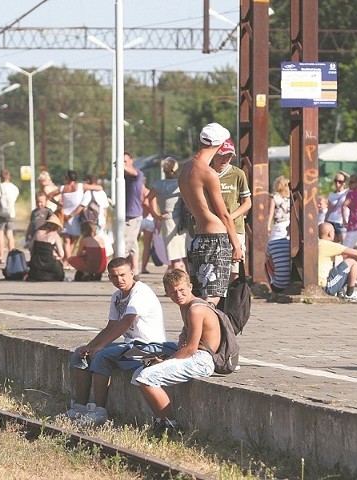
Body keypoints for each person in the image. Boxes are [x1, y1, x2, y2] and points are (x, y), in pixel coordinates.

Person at [67, 256, 166, 425]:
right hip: (131, 344)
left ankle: (100, 411)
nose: (119, 280)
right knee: (79, 354)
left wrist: (100, 348)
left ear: (132, 273)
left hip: (149, 345)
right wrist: (90, 346)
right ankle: (80, 407)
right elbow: (111, 326)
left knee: (102, 355)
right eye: (114, 276)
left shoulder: (140, 292)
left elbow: (126, 322)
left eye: (122, 275)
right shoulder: (117, 296)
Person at [131, 268, 217, 434]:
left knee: (146, 377)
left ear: (190, 287)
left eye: (181, 290)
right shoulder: (185, 306)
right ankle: (159, 420)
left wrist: (166, 361)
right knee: (137, 375)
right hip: (194, 356)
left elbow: (191, 349)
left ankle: (172, 426)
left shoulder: (195, 309)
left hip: (202, 360)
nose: (178, 295)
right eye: (173, 292)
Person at [177, 123, 242, 305]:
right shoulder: (209, 174)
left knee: (198, 293)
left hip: (197, 237)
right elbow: (224, 214)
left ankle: (191, 330)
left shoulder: (185, 170)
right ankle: (202, 331)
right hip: (216, 237)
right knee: (213, 294)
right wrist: (236, 244)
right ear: (220, 145)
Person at [211, 138, 252, 278]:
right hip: (212, 228)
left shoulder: (238, 174)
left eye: (228, 156)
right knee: (215, 271)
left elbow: (247, 202)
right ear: (214, 154)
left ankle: (231, 299)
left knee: (234, 270)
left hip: (235, 228)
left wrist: (230, 217)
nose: (225, 159)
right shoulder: (207, 173)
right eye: (221, 155)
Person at [145, 157, 188, 272]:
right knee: (186, 255)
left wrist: (156, 216)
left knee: (174, 256)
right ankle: (190, 280)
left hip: (167, 220)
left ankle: (177, 279)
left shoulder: (159, 184)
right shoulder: (181, 183)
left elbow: (146, 200)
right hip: (184, 221)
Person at [318, 222, 357, 303]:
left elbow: (344, 256)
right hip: (326, 286)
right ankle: (350, 294)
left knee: (347, 264)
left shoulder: (318, 243)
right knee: (353, 261)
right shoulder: (329, 245)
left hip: (317, 284)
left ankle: (341, 293)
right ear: (329, 234)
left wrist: (355, 270)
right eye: (334, 232)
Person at [123, 152, 147, 276]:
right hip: (127, 214)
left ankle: (121, 268)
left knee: (126, 243)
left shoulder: (137, 174)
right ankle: (135, 270)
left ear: (131, 161)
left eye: (125, 161)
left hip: (132, 214)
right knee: (133, 244)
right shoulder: (123, 177)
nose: (123, 165)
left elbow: (133, 172)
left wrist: (119, 164)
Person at [0, 170, 20, 264]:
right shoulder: (14, 187)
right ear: (9, 176)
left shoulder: (0, 187)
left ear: (1, 177)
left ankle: (1, 257)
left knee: (0, 235)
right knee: (10, 235)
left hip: (0, 213)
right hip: (11, 213)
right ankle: (12, 255)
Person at [27, 214, 65, 282]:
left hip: (36, 264)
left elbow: (30, 247)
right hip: (49, 264)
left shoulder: (38, 232)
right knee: (60, 272)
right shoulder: (55, 236)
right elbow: (61, 254)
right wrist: (56, 256)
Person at [325, 171, 350, 242]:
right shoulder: (331, 194)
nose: (337, 183)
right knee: (331, 244)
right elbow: (329, 209)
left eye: (340, 181)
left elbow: (354, 182)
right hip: (331, 221)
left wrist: (345, 175)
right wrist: (325, 221)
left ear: (344, 183)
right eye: (335, 181)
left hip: (341, 222)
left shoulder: (347, 192)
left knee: (345, 244)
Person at [267, 175, 290, 241]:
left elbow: (271, 213)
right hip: (288, 223)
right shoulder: (290, 197)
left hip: (279, 224)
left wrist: (268, 225)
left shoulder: (275, 197)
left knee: (272, 243)